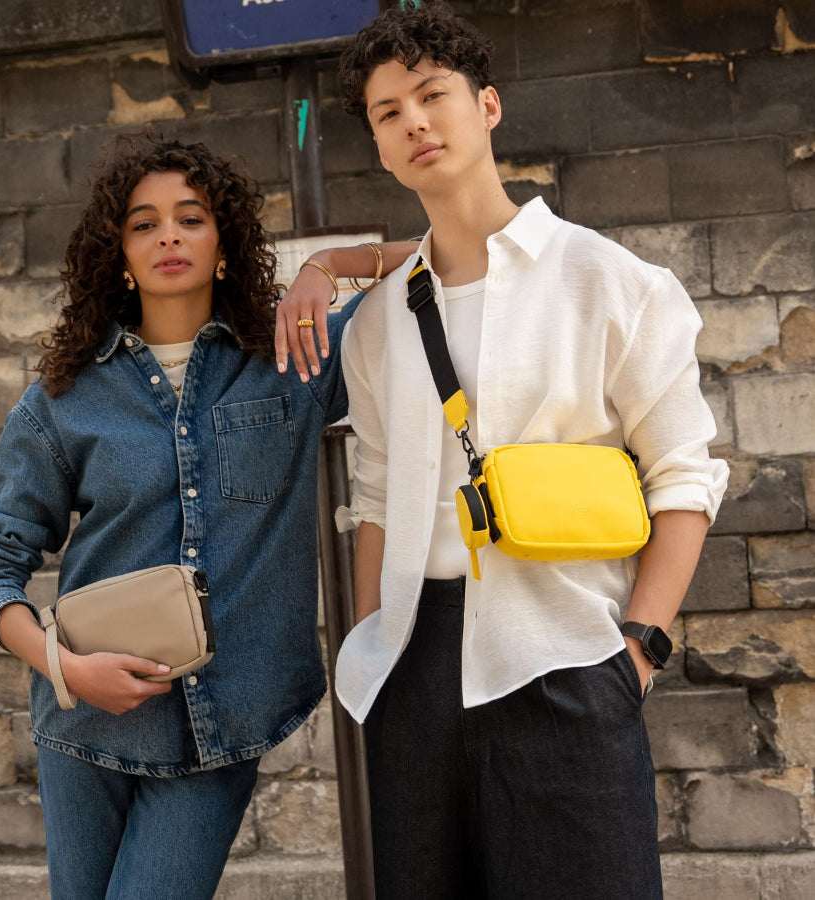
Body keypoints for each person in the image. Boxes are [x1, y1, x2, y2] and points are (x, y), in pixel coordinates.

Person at [277, 2, 729, 897]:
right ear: (377, 144)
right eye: (386, 113)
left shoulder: (610, 281)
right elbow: (374, 495)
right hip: (413, 671)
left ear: (486, 106)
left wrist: (638, 649)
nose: (413, 122)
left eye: (430, 95)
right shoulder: (375, 324)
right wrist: (375, 645)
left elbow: (685, 475)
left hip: (567, 653)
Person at [0, 132, 412, 899]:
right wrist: (65, 668)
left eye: (191, 217)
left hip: (226, 721)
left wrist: (328, 266)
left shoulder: (293, 357)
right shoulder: (62, 401)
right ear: (120, 254)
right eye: (144, 223)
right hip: (84, 726)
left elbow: (463, 258)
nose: (168, 234)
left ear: (224, 242)